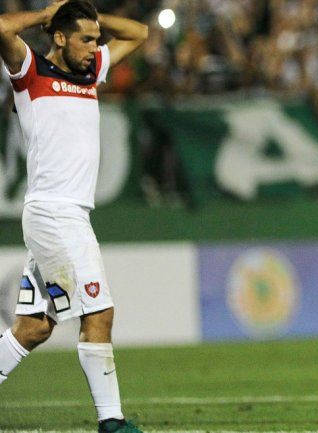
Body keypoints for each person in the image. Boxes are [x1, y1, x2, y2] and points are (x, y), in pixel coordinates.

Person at [0, 1, 147, 431]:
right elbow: (3, 28)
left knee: (32, 328)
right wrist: (47, 12)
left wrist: (91, 16)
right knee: (99, 313)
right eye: (85, 39)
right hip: (55, 214)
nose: (94, 47)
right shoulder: (31, 73)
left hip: (67, 216)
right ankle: (112, 422)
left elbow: (138, 34)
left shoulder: (90, 72)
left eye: (97, 40)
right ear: (59, 38)